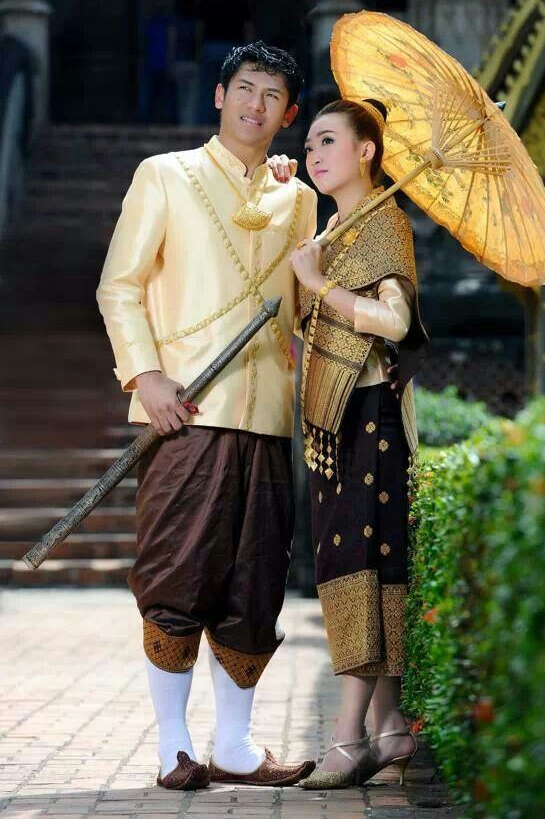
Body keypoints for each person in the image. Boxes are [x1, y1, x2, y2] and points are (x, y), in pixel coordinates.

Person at [97, 42, 317, 790]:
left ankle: (235, 745)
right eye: (245, 89)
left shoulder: (298, 197)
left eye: (274, 96)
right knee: (177, 573)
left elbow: (297, 307)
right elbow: (118, 287)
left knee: (255, 578)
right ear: (220, 95)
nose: (257, 105)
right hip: (182, 413)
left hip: (269, 414)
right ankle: (172, 747)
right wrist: (145, 373)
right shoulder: (165, 175)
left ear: (289, 115)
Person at [289, 99, 428, 789]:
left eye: (329, 141)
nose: (315, 154)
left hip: (371, 414)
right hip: (334, 420)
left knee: (366, 566)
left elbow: (395, 323)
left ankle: (348, 736)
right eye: (310, 143)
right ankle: (390, 727)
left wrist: (320, 286)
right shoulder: (336, 229)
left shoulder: (387, 223)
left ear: (367, 151)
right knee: (356, 564)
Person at [139, 0, 177, 123]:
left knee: (168, 106)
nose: (160, 0)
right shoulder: (149, 20)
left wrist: (170, 63)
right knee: (148, 105)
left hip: (166, 66)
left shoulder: (171, 20)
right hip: (150, 66)